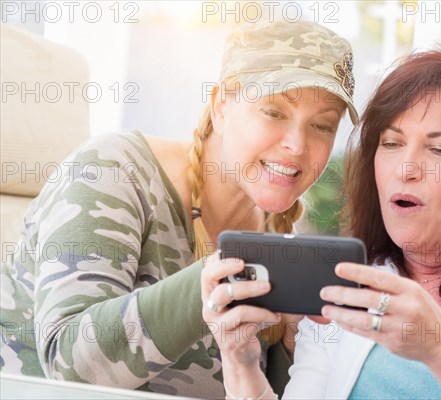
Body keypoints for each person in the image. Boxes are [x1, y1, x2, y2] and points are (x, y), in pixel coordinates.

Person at [201, 50, 441, 399]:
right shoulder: (352, 282)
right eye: (390, 144)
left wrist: (439, 347)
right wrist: (241, 363)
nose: (405, 169)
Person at [0, 19, 358, 398]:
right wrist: (207, 284)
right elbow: (69, 367)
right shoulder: (112, 170)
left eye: (322, 125)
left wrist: (289, 345)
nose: (298, 145)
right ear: (221, 106)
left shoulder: (280, 242)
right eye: (273, 112)